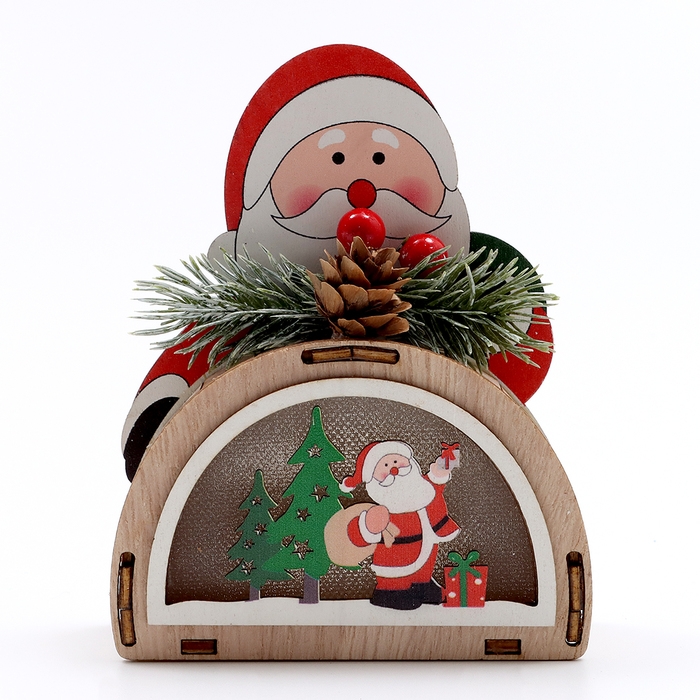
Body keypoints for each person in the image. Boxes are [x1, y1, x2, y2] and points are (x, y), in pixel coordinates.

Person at [122, 44, 551, 481]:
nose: (361, 187)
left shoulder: (447, 299)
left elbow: (521, 367)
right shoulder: (255, 320)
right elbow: (185, 377)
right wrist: (164, 434)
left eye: (381, 158)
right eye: (336, 159)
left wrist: (494, 307)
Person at [341, 440, 460, 610]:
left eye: (396, 461)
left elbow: (434, 486)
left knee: (423, 572)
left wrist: (443, 466)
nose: (394, 470)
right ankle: (389, 594)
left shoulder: (422, 491)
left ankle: (422, 585)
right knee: (396, 581)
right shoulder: (383, 512)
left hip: (425, 557)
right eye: (386, 465)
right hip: (394, 566)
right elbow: (356, 535)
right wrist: (368, 525)